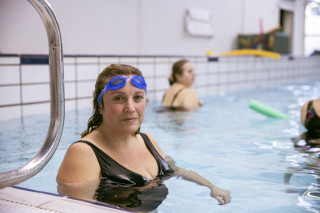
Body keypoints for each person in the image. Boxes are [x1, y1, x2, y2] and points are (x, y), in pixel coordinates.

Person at [56, 64, 230, 212]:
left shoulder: (147, 140)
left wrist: (210, 186)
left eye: (138, 97)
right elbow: (77, 209)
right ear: (100, 106)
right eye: (119, 98)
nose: (130, 107)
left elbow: (176, 170)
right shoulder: (83, 153)